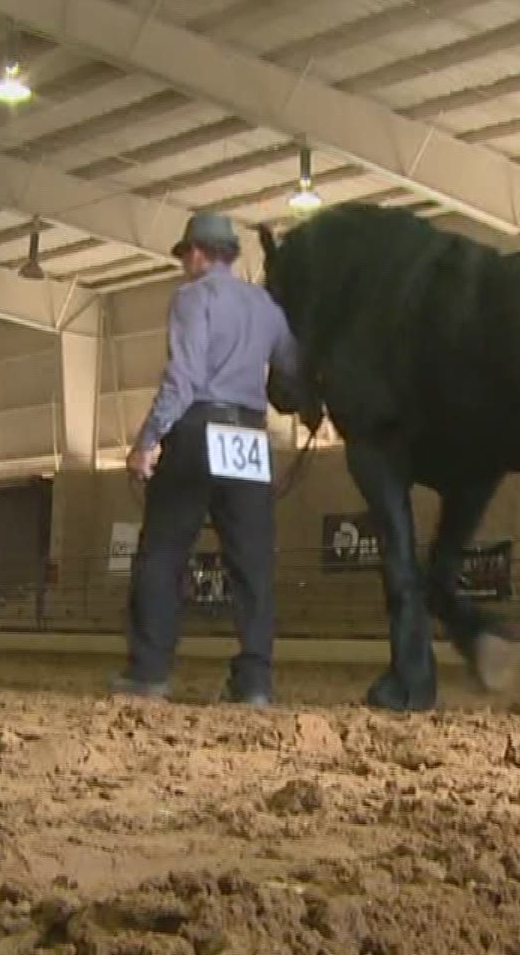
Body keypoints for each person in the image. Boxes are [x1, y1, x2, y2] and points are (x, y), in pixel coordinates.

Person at [111, 211, 306, 707]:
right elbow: (292, 367)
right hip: (247, 435)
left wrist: (148, 440)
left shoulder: (192, 298)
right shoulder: (265, 305)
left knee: (162, 554)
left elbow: (184, 377)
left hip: (198, 427)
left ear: (196, 253)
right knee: (253, 561)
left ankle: (151, 671)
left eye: (183, 256)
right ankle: (255, 680)